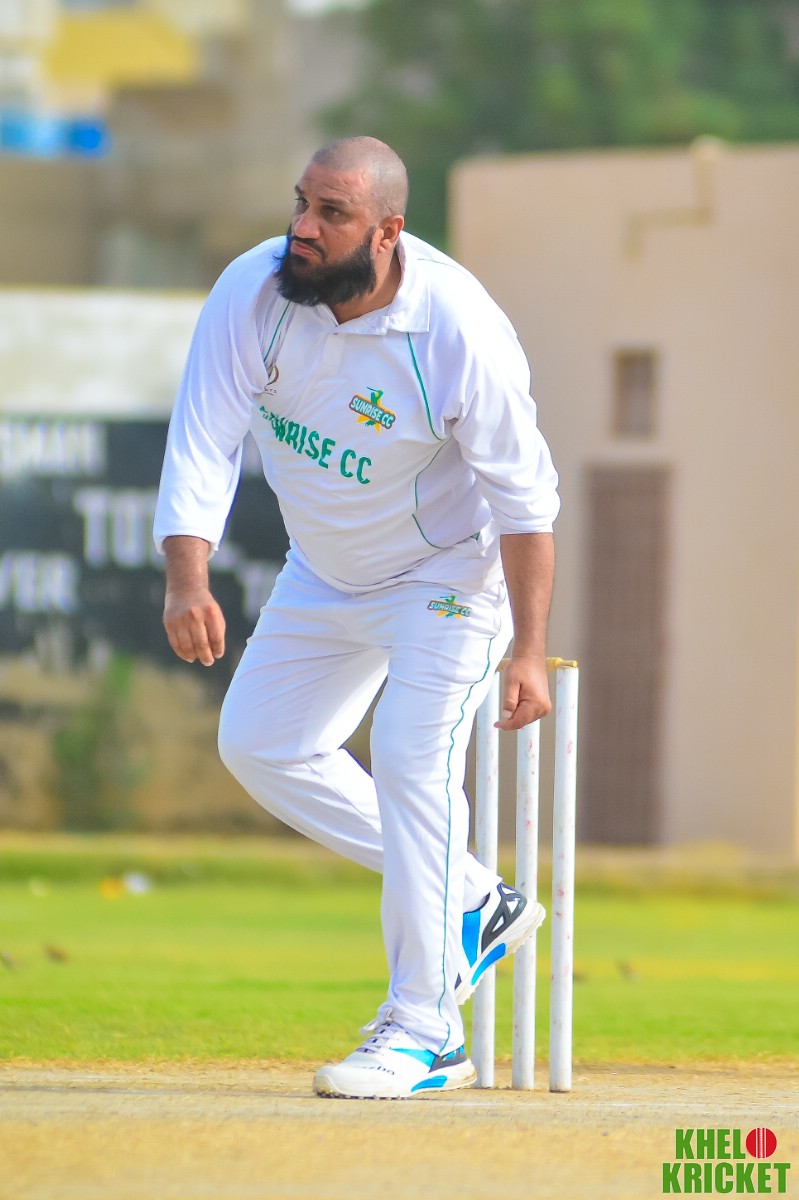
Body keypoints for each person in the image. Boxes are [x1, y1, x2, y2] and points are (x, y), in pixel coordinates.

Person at [154, 136, 560, 1100]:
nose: (301, 229)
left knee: (413, 763)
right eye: (300, 202)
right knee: (260, 743)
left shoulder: (457, 328)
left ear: (387, 232)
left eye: (330, 214)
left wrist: (530, 651)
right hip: (323, 571)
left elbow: (527, 503)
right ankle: (473, 899)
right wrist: (186, 577)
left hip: (445, 578)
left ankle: (427, 1032)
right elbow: (202, 439)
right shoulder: (252, 290)